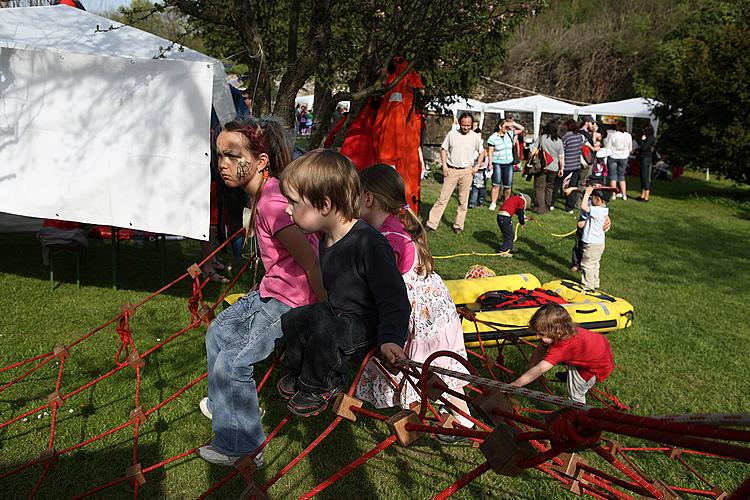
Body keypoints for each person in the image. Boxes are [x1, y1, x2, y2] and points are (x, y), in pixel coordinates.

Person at [197, 117, 326, 467]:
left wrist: (325, 310)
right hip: (272, 289)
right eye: (220, 154)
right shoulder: (263, 195)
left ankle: (243, 447)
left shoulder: (271, 203)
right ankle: (224, 405)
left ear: (261, 161)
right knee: (217, 332)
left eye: (233, 155)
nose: (223, 163)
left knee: (234, 361)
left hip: (292, 300)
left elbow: (311, 260)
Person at [278, 150, 410, 417]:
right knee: (294, 319)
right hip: (339, 312)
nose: (286, 209)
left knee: (329, 330)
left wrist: (390, 338)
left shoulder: (369, 244)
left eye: (293, 202)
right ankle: (300, 372)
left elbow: (394, 297)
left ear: (324, 206)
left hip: (365, 323)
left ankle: (318, 387)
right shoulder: (326, 236)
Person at [354, 165, 474, 438]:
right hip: (435, 312)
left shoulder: (386, 239)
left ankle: (462, 422)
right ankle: (451, 415)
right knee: (442, 370)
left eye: (356, 196)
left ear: (368, 198)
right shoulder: (396, 227)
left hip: (421, 318)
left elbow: (378, 284)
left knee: (430, 369)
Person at [510, 303, 614, 403]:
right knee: (550, 349)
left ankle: (578, 414)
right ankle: (570, 374)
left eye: (541, 334)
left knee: (575, 393)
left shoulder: (562, 348)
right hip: (600, 352)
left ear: (557, 332)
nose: (537, 337)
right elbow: (540, 349)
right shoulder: (565, 333)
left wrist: (513, 386)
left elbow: (540, 369)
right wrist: (531, 366)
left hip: (594, 369)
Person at [425, 112, 484, 234]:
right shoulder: (452, 134)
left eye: (468, 125)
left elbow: (482, 152)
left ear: (472, 124)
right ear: (460, 123)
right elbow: (443, 149)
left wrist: (477, 165)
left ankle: (458, 225)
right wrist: (445, 166)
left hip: (467, 171)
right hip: (451, 170)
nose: (466, 127)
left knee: (463, 200)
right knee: (442, 198)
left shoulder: (475, 137)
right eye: (464, 125)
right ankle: (431, 223)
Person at [487, 118, 524, 209]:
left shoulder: (510, 134)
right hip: (497, 163)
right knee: (496, 184)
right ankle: (493, 203)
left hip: (508, 163)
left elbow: (522, 129)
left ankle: (506, 202)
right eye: (505, 126)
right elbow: (490, 152)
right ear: (500, 126)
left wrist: (513, 123)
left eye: (508, 127)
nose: (507, 128)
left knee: (508, 185)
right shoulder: (493, 137)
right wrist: (490, 163)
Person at [579, 184, 610, 289]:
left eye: (592, 198)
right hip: (599, 243)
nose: (590, 200)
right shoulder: (604, 210)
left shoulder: (596, 210)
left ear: (598, 200)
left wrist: (587, 193)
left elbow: (583, 207)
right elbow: (594, 221)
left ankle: (587, 286)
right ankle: (595, 284)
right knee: (595, 264)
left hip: (591, 244)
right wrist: (585, 223)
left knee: (587, 264)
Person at [532, 119, 565, 214]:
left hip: (542, 166)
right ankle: (547, 206)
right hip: (554, 168)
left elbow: (533, 151)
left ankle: (540, 207)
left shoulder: (542, 138)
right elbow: (561, 157)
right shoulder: (559, 141)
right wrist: (561, 169)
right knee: (549, 188)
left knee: (539, 187)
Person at [560, 119, 586, 213]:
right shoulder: (580, 136)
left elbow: (562, 149)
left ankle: (565, 202)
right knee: (572, 186)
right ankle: (570, 206)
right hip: (576, 165)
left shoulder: (566, 136)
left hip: (567, 164)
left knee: (564, 185)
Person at [605, 122, 633, 199]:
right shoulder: (628, 136)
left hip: (613, 156)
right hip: (624, 156)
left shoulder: (613, 135)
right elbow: (630, 148)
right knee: (621, 176)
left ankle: (613, 194)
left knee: (613, 176)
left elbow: (608, 147)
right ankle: (624, 195)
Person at [636, 124, 656, 202]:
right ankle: (642, 194)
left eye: (645, 130)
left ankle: (646, 196)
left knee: (645, 176)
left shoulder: (651, 138)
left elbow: (645, 147)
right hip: (643, 158)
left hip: (646, 158)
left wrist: (640, 140)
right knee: (642, 176)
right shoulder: (647, 138)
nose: (643, 132)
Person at [469, 144, 489, 209]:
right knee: (475, 189)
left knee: (482, 190)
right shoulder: (477, 156)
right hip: (477, 173)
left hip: (483, 174)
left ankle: (481, 202)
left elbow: (488, 167)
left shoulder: (487, 159)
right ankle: (472, 203)